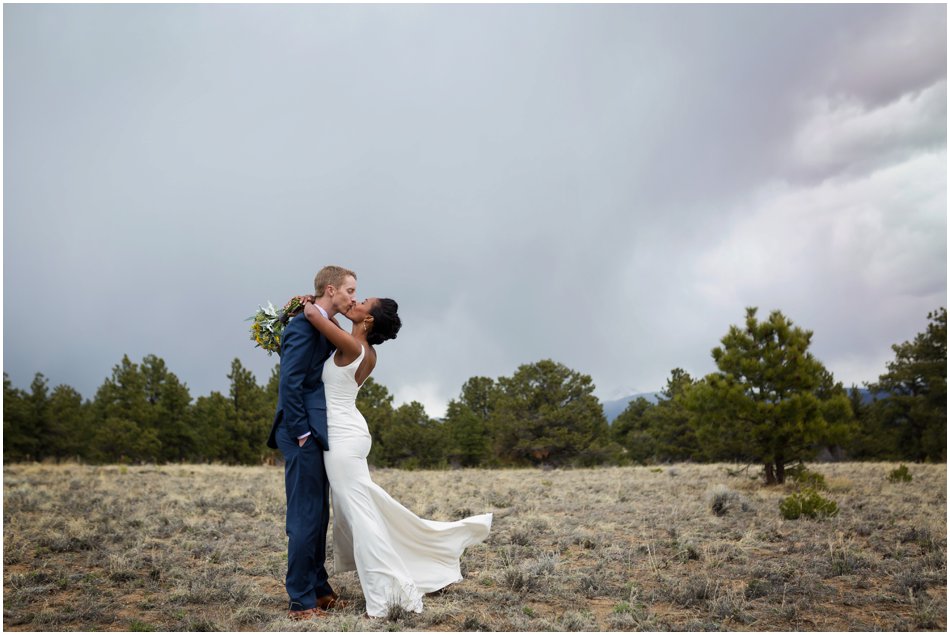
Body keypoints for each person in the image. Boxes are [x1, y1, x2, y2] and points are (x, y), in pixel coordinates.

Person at [302, 297, 492, 618]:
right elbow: (330, 323)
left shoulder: (353, 348)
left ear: (369, 321)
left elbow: (313, 315)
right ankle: (421, 563)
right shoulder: (363, 349)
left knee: (361, 517)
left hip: (342, 439)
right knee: (365, 510)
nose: (355, 302)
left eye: (362, 301)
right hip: (347, 433)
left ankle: (391, 596)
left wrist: (308, 303)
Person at [266, 266, 357, 621]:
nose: (352, 297)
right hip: (301, 433)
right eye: (350, 290)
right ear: (331, 289)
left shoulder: (319, 321)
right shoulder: (303, 325)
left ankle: (319, 589)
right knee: (304, 517)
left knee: (319, 515)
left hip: (318, 432)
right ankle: (300, 599)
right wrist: (302, 432)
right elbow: (289, 383)